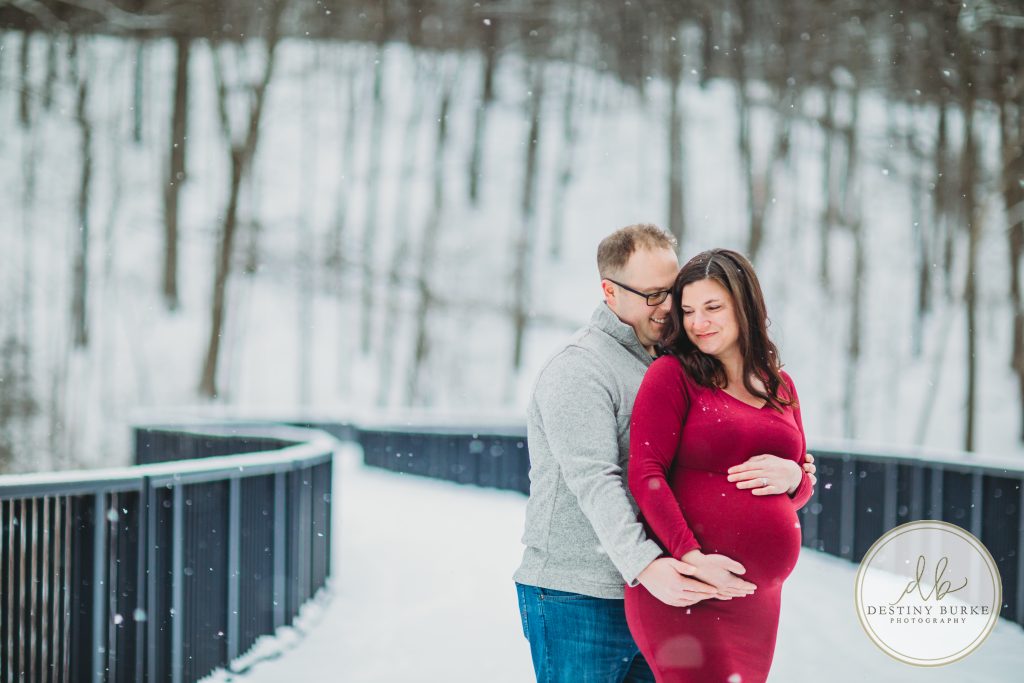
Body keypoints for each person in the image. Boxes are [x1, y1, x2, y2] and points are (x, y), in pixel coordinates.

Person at [514, 227, 815, 682]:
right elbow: (598, 481)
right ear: (610, 291)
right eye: (654, 295)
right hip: (580, 593)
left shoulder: (687, 360)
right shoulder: (579, 368)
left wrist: (792, 476)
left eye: (672, 292)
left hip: (669, 589)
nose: (671, 308)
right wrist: (648, 565)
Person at [624, 248, 815, 683]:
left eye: (713, 307)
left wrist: (794, 478)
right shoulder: (673, 375)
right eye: (688, 310)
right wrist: (692, 556)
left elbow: (799, 486)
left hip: (757, 602)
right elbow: (646, 473)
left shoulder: (780, 385)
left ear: (745, 307)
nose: (698, 322)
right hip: (689, 587)